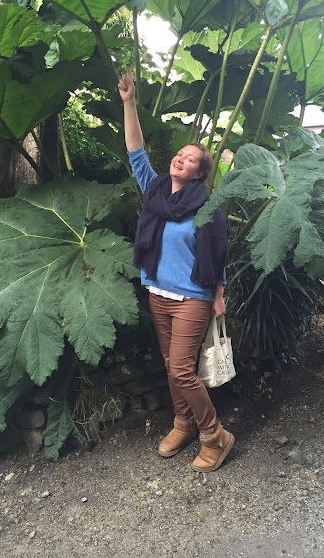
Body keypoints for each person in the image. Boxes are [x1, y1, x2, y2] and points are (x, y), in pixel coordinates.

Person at [118, 68, 234, 473]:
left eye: (189, 159)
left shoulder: (208, 207)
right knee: (172, 366)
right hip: (158, 292)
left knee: (182, 369)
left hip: (192, 297)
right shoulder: (154, 190)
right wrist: (129, 102)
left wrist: (218, 294)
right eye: (179, 154)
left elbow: (218, 253)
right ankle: (181, 423)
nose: (180, 159)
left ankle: (214, 435)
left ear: (200, 173)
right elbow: (135, 149)